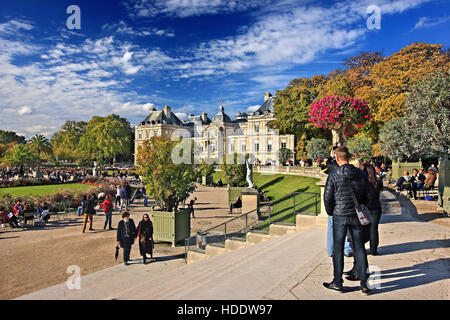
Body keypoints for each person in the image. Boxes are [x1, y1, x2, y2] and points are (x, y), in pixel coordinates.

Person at [323, 146, 372, 295]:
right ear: (349, 157)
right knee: (360, 248)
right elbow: (368, 195)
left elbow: (327, 197)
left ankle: (337, 282)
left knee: (338, 249)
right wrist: (359, 207)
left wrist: (331, 212)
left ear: (337, 158)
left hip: (339, 215)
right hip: (356, 215)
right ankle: (364, 284)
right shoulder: (360, 174)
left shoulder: (333, 174)